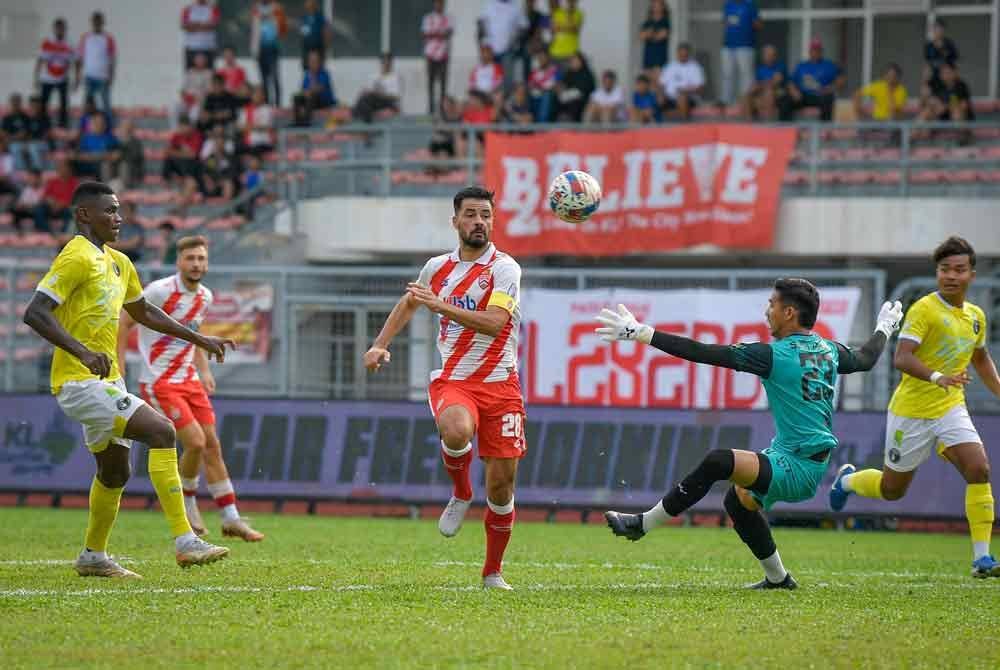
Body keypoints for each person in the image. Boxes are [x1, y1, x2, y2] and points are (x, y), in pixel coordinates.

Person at [600, 279, 903, 589]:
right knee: (738, 501)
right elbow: (866, 358)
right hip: (796, 456)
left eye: (772, 304)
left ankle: (642, 524)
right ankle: (778, 578)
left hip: (800, 466)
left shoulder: (772, 355)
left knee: (719, 461)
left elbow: (703, 352)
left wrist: (642, 333)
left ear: (789, 312)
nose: (767, 311)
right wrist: (885, 327)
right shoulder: (828, 349)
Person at [22, 181, 233, 578]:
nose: (118, 218)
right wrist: (83, 352)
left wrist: (200, 339)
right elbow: (35, 312)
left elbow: (145, 313)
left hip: (109, 382)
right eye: (109, 211)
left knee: (115, 472)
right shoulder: (76, 256)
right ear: (84, 214)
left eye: (118, 210)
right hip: (78, 382)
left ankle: (92, 556)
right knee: (162, 431)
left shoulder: (120, 262)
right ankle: (186, 540)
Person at [363, 186, 526, 591]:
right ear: (455, 221)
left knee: (502, 486)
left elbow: (494, 323)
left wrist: (439, 306)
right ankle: (461, 491)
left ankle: (492, 572)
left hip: (502, 387)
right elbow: (410, 302)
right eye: (470, 214)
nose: (479, 222)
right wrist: (380, 344)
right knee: (455, 430)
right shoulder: (437, 267)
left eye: (485, 215)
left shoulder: (505, 269)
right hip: (456, 380)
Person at [830, 237, 1000, 578]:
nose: (951, 276)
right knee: (892, 490)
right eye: (945, 269)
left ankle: (982, 559)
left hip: (950, 407)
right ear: (937, 272)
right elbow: (901, 358)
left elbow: (981, 359)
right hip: (911, 412)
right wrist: (937, 376)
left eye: (959, 270)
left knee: (979, 469)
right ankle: (847, 481)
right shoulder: (924, 309)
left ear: (971, 274)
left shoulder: (976, 316)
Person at [118, 236, 263, 542]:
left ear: (207, 263)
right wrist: (119, 365)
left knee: (212, 446)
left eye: (201, 259)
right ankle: (187, 505)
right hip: (159, 381)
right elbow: (123, 321)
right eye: (190, 258)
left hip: (190, 380)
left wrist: (204, 370)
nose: (196, 264)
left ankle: (231, 518)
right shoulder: (159, 291)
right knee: (195, 442)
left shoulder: (205, 296)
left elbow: (193, 334)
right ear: (179, 262)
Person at [783, 38, 843, 122]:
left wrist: (830, 88)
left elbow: (840, 80)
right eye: (813, 50)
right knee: (786, 100)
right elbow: (791, 82)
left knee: (828, 99)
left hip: (821, 95)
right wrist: (794, 91)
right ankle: (786, 127)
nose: (815, 52)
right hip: (803, 96)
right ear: (810, 51)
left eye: (818, 50)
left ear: (821, 51)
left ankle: (825, 128)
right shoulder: (802, 65)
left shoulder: (829, 65)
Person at [34, 17, 74, 129]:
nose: (60, 31)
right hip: (47, 78)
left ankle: (63, 126)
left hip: (62, 78)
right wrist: (36, 77)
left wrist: (76, 79)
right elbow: (40, 60)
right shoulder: (47, 42)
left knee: (63, 104)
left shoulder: (69, 44)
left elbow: (74, 62)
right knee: (44, 103)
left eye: (62, 28)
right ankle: (43, 125)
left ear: (65, 29)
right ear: (54, 29)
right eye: (58, 28)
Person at [478, 0, 527, 90]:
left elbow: (524, 26)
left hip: (508, 50)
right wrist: (482, 45)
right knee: (490, 80)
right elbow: (481, 23)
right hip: (490, 51)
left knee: (507, 80)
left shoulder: (516, 5)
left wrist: (515, 40)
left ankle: (506, 98)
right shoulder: (489, 3)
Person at [721, 0, 761, 107]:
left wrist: (747, 25)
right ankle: (726, 100)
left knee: (745, 74)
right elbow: (725, 22)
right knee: (727, 73)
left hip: (745, 45)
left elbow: (758, 25)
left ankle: (745, 101)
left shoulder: (750, 4)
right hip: (728, 45)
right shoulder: (728, 4)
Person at [76, 11, 117, 117]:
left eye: (99, 21)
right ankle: (84, 125)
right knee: (87, 105)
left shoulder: (108, 38)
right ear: (91, 22)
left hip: (103, 77)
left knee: (106, 104)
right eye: (95, 21)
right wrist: (78, 75)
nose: (96, 23)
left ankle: (109, 125)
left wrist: (111, 76)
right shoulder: (85, 38)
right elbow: (80, 58)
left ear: (102, 23)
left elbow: (112, 59)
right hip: (89, 76)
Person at [251, 0, 287, 105]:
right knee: (264, 79)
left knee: (275, 77)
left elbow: (283, 29)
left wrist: (273, 17)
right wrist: (254, 49)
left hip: (272, 48)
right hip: (260, 49)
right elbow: (254, 30)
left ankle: (278, 104)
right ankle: (266, 103)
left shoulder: (277, 8)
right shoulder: (256, 8)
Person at [658, 42, 705, 121]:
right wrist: (661, 95)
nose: (683, 56)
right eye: (681, 54)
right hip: (670, 97)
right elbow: (661, 84)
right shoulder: (670, 66)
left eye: (685, 55)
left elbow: (700, 88)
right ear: (677, 54)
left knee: (682, 97)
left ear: (689, 54)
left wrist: (685, 90)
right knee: (655, 97)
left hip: (688, 97)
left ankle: (683, 122)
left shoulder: (695, 67)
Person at [422, 0, 454, 114]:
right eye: (437, 3)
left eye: (441, 3)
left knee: (443, 83)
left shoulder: (448, 18)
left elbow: (448, 33)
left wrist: (434, 33)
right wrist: (439, 34)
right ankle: (431, 108)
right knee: (430, 82)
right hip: (430, 54)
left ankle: (442, 108)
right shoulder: (428, 18)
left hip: (443, 54)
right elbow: (425, 33)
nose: (439, 5)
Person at [352, 53, 402, 124]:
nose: (386, 65)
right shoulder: (374, 76)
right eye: (384, 62)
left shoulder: (395, 77)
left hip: (388, 102)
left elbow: (396, 97)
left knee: (368, 98)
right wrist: (365, 92)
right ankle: (361, 115)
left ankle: (362, 116)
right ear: (381, 63)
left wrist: (379, 94)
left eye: (388, 62)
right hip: (374, 101)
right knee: (364, 97)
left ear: (391, 63)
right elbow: (368, 90)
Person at [34, 158, 79, 235]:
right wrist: (50, 202)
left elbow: (75, 199)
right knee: (39, 209)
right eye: (59, 168)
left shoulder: (74, 183)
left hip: (65, 207)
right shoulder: (53, 181)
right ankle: (46, 232)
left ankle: (64, 233)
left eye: (63, 168)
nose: (61, 170)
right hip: (52, 206)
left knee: (71, 212)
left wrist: (62, 204)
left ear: (70, 170)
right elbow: (45, 196)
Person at [743, 43, 787, 120]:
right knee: (748, 94)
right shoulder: (760, 69)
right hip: (762, 91)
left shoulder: (780, 66)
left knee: (768, 92)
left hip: (778, 91)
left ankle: (768, 120)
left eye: (772, 55)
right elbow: (756, 84)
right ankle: (749, 121)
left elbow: (776, 82)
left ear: (775, 56)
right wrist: (757, 88)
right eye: (767, 55)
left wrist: (762, 84)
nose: (770, 57)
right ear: (763, 56)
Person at [74, 112, 119, 181]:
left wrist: (107, 156)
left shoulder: (110, 138)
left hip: (104, 168)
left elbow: (116, 154)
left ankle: (105, 186)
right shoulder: (85, 138)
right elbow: (79, 155)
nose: (99, 125)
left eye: (101, 122)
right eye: (96, 122)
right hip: (87, 168)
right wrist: (96, 156)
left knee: (106, 165)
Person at [555, 52, 595, 122]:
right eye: (571, 61)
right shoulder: (569, 73)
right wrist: (560, 88)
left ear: (581, 61)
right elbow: (563, 85)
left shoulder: (587, 73)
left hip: (582, 100)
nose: (573, 63)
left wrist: (569, 94)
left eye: (575, 60)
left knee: (574, 104)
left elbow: (585, 90)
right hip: (566, 98)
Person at [181, 0, 221, 70]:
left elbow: (213, 25)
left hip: (208, 47)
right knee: (191, 72)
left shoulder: (213, 8)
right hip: (191, 47)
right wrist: (204, 25)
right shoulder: (188, 9)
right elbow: (184, 26)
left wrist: (194, 25)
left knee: (209, 73)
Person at [237, 85, 275, 156]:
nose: (258, 96)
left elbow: (267, 127)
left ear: (264, 96)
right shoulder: (245, 110)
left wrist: (250, 126)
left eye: (260, 94)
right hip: (250, 143)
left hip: (265, 142)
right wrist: (255, 126)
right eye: (256, 94)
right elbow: (240, 127)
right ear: (252, 96)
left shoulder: (268, 109)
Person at [639, 0, 671, 80]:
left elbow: (662, 36)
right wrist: (652, 34)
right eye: (654, 5)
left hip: (660, 57)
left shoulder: (665, 22)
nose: (656, 8)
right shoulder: (647, 22)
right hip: (648, 56)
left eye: (658, 5)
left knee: (658, 81)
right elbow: (642, 36)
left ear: (663, 7)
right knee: (647, 80)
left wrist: (649, 34)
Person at [111, 119, 145, 189]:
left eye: (128, 127)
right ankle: (108, 184)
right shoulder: (115, 141)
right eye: (124, 127)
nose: (126, 129)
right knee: (105, 164)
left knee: (124, 165)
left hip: (131, 169)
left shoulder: (136, 142)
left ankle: (125, 186)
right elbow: (110, 154)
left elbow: (135, 157)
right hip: (116, 167)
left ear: (132, 129)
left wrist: (120, 155)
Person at [2, 94, 33, 171]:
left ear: (20, 103)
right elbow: (4, 133)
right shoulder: (7, 118)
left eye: (17, 102)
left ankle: (23, 170)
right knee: (14, 147)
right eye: (14, 102)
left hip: (24, 142)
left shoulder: (25, 117)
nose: (15, 104)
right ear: (11, 103)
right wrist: (14, 137)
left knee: (22, 148)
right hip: (10, 142)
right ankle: (19, 170)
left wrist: (25, 142)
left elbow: (26, 133)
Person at [299, 0, 332, 69]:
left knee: (318, 68)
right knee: (306, 67)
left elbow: (326, 30)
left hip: (318, 47)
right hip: (307, 48)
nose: (309, 6)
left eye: (311, 4)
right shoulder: (304, 17)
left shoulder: (320, 17)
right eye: (307, 4)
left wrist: (326, 44)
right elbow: (302, 31)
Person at [528, 49, 559, 122]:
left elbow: (556, 85)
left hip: (548, 96)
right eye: (539, 58)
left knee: (546, 95)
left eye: (543, 58)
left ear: (548, 58)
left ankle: (542, 124)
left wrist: (542, 88)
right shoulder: (535, 71)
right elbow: (530, 84)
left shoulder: (554, 70)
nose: (541, 60)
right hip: (534, 96)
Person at [549, 0, 583, 65]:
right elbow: (553, 30)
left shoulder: (579, 14)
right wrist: (567, 28)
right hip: (555, 52)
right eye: (569, 1)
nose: (570, 2)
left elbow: (575, 30)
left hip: (571, 52)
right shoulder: (558, 13)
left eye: (573, 1)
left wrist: (560, 27)